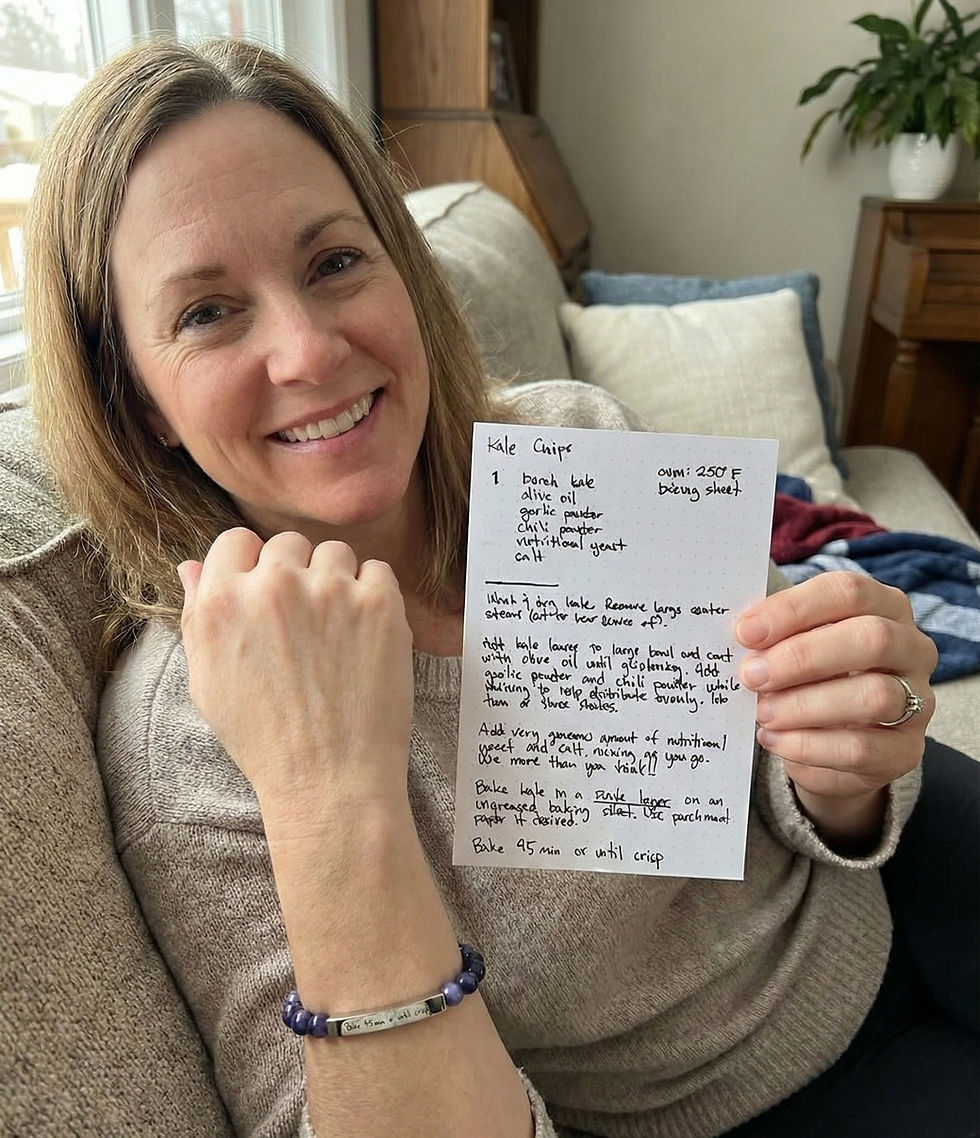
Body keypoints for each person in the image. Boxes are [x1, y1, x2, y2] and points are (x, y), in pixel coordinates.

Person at [24, 36, 976, 1138]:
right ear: (137, 399)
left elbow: (793, 770)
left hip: (898, 899)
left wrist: (848, 760)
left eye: (334, 260)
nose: (307, 350)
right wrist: (330, 791)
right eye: (205, 312)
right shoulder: (187, 735)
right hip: (743, 1105)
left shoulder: (572, 437)